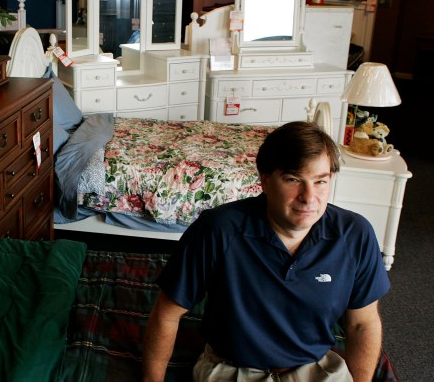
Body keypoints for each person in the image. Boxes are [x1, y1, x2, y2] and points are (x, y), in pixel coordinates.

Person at [142, 121, 389, 382]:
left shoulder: (355, 234)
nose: (309, 197)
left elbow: (363, 324)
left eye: (320, 181)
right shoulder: (218, 229)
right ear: (266, 179)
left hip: (314, 366)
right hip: (232, 368)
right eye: (293, 179)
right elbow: (166, 314)